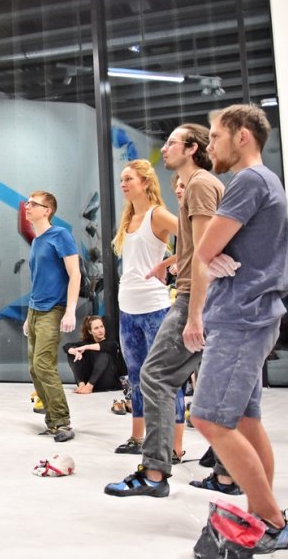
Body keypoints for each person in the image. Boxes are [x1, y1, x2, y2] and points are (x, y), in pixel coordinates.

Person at [189, 104, 288, 552]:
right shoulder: (267, 181)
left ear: (243, 136)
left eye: (215, 135)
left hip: (241, 317)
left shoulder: (249, 181)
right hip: (253, 314)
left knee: (209, 417)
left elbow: (204, 248)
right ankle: (261, 511)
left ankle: (271, 521)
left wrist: (206, 254)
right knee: (246, 420)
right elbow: (210, 252)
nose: (210, 144)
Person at [105, 122, 224, 497]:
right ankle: (223, 470)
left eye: (171, 142)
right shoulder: (190, 192)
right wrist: (175, 263)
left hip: (179, 301)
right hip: (138, 304)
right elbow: (198, 248)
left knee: (159, 376)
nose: (165, 148)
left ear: (191, 148)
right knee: (161, 377)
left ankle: (160, 469)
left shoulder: (200, 187)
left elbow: (204, 252)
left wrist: (192, 308)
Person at [110, 160, 182, 458]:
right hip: (127, 308)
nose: (123, 184)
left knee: (165, 378)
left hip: (155, 308)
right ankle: (137, 437)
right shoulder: (128, 219)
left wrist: (169, 262)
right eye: (122, 179)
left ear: (145, 182)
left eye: (128, 179)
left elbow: (195, 237)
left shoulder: (158, 215)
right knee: (136, 375)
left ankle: (175, 447)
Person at [23, 190, 80, 443]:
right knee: (34, 368)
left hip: (52, 310)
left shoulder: (61, 235)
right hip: (35, 309)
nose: (28, 207)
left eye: (33, 204)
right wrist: (28, 315)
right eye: (27, 203)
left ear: (47, 210)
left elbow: (75, 274)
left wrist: (70, 310)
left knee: (44, 365)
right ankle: (51, 420)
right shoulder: (37, 240)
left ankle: (62, 422)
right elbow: (37, 280)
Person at [64, 315, 120, 393]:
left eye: (101, 326)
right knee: (72, 353)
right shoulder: (86, 343)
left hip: (107, 382)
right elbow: (66, 346)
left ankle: (89, 386)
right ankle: (81, 384)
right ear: (90, 331)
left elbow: (104, 346)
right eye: (96, 328)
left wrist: (86, 347)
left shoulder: (111, 343)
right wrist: (75, 352)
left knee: (104, 355)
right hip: (90, 381)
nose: (100, 330)